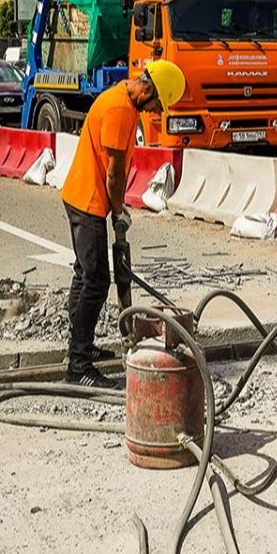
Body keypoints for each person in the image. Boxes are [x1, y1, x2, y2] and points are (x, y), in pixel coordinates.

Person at [60, 60, 186, 389]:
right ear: (148, 89)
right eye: (158, 103)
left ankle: (79, 347)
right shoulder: (119, 110)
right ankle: (78, 364)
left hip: (82, 196)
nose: (156, 109)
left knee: (83, 274)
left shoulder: (124, 100)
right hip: (88, 201)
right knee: (97, 281)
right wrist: (119, 212)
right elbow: (114, 174)